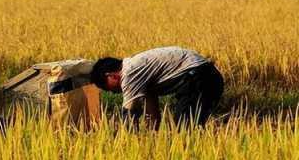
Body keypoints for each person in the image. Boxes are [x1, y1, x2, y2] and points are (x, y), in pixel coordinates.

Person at [90, 46, 224, 128]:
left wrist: (125, 143)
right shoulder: (141, 76)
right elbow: (152, 116)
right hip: (206, 77)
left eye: (107, 87)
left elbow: (129, 115)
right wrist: (151, 140)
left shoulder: (129, 73)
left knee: (185, 128)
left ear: (111, 75)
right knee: (190, 127)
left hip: (200, 78)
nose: (112, 92)